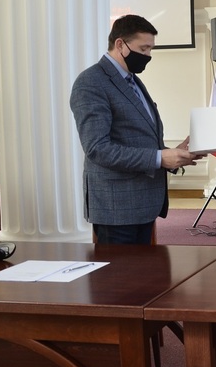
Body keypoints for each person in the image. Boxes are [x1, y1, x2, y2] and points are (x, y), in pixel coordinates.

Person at [71, 14, 203, 246]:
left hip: (142, 203)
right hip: (117, 208)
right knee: (119, 280)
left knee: (144, 279)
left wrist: (172, 153)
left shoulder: (131, 79)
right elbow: (97, 148)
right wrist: (159, 158)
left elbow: (136, 136)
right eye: (143, 49)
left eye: (150, 49)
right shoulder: (91, 82)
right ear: (120, 44)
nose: (148, 56)